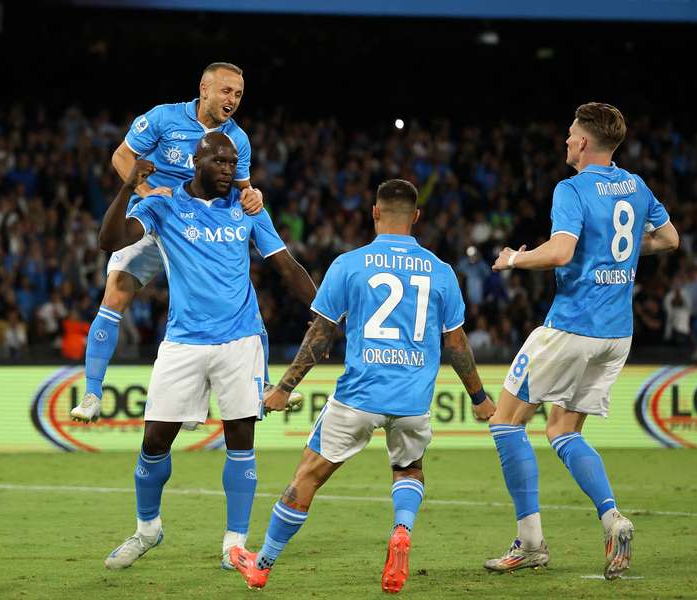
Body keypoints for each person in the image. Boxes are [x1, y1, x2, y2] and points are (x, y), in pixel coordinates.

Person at [229, 179, 497, 593]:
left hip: (358, 395)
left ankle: (262, 564)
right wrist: (479, 398)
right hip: (412, 400)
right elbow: (456, 343)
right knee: (409, 468)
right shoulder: (441, 272)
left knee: (308, 477)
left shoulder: (349, 264)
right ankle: (402, 530)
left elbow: (320, 336)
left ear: (374, 212)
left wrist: (283, 387)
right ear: (416, 217)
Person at [98, 132, 317, 572]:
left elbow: (285, 264)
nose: (229, 170)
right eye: (220, 162)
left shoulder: (248, 208)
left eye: (234, 164)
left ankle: (234, 543)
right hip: (183, 341)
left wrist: (321, 313)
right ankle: (147, 530)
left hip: (240, 340)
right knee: (155, 441)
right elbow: (111, 240)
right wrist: (127, 187)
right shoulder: (162, 205)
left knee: (241, 441)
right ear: (198, 160)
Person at [486, 103, 679, 579]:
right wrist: (630, 249)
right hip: (616, 334)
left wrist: (513, 259)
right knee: (562, 430)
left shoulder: (571, 189)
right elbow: (670, 239)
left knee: (506, 422)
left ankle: (530, 543)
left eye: (571, 134)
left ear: (586, 142)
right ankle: (613, 519)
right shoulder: (636, 187)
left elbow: (561, 251)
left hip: (572, 325)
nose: (566, 141)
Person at [70, 62, 267, 423]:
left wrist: (254, 196)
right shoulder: (164, 118)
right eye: (226, 91)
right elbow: (121, 156)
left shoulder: (236, 138)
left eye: (238, 94)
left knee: (235, 296)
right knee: (115, 294)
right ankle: (92, 393)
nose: (233, 100)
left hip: (197, 229)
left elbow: (242, 189)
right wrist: (146, 191)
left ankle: (261, 385)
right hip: (155, 215)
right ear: (203, 89)